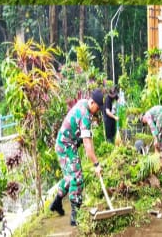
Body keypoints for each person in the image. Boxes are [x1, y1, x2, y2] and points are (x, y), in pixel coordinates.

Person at [49, 89, 104, 226]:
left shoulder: (84, 103)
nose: (98, 111)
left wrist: (94, 159)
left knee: (69, 177)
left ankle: (56, 203)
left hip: (63, 144)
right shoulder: (85, 115)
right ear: (92, 102)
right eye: (98, 108)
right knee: (77, 177)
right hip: (66, 146)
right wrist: (96, 164)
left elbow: (88, 139)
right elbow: (87, 145)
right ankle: (75, 215)